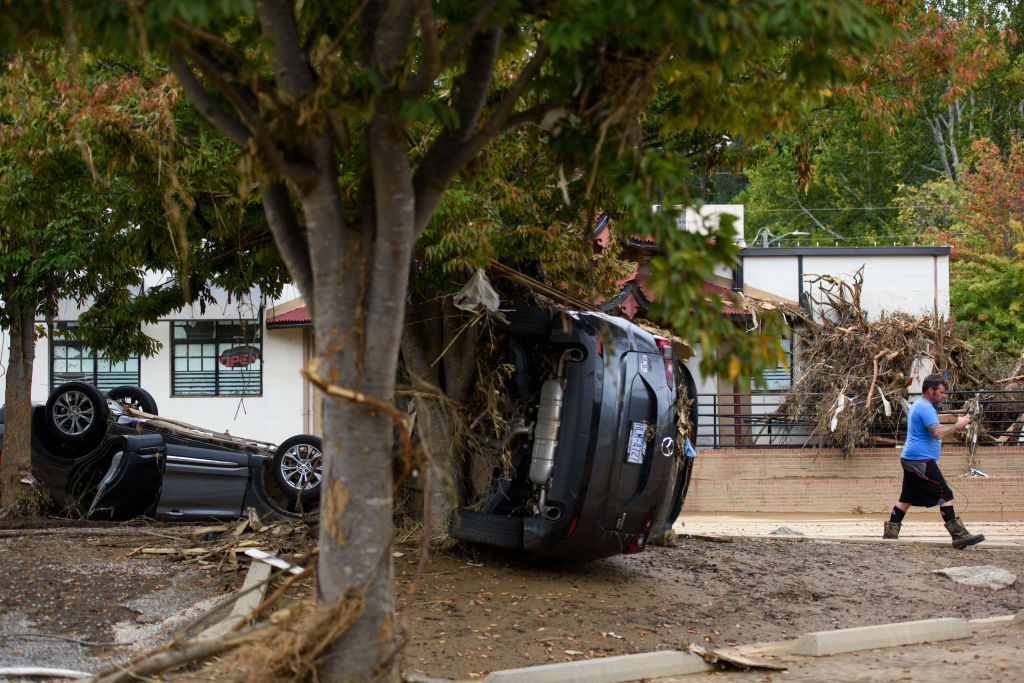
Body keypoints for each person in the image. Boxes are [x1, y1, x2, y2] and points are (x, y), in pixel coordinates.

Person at [883, 372, 984, 548]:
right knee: (945, 495)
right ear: (931, 390)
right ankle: (959, 536)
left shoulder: (918, 405)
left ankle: (890, 534)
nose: (944, 396)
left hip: (913, 459)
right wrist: (958, 425)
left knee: (906, 498)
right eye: (942, 392)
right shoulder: (926, 408)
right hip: (920, 460)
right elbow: (938, 433)